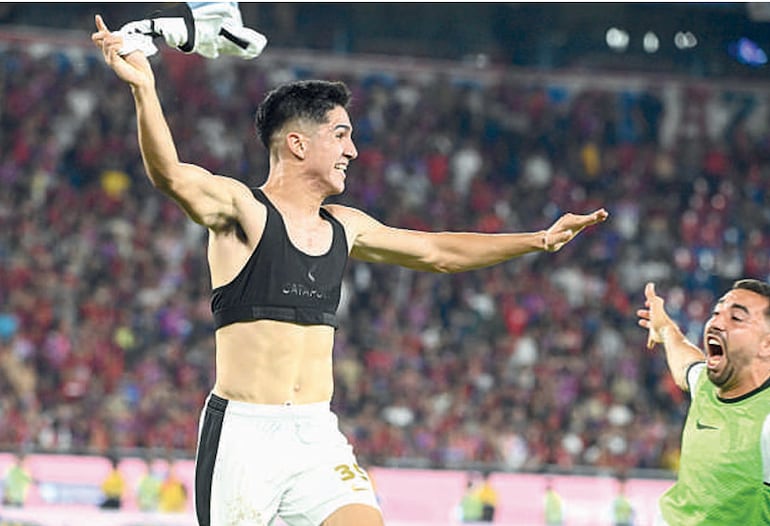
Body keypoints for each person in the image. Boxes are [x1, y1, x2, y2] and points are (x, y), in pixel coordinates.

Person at [91, 14, 608, 526]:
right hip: (245, 437)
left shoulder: (346, 226)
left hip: (316, 433)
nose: (352, 151)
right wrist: (144, 89)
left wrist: (537, 240)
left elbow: (436, 252)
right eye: (340, 135)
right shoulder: (243, 210)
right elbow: (172, 175)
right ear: (298, 143)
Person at [638, 280, 770, 525]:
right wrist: (665, 328)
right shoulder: (706, 386)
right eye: (716, 313)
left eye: (736, 318)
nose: (716, 323)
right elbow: (685, 362)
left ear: (767, 344)